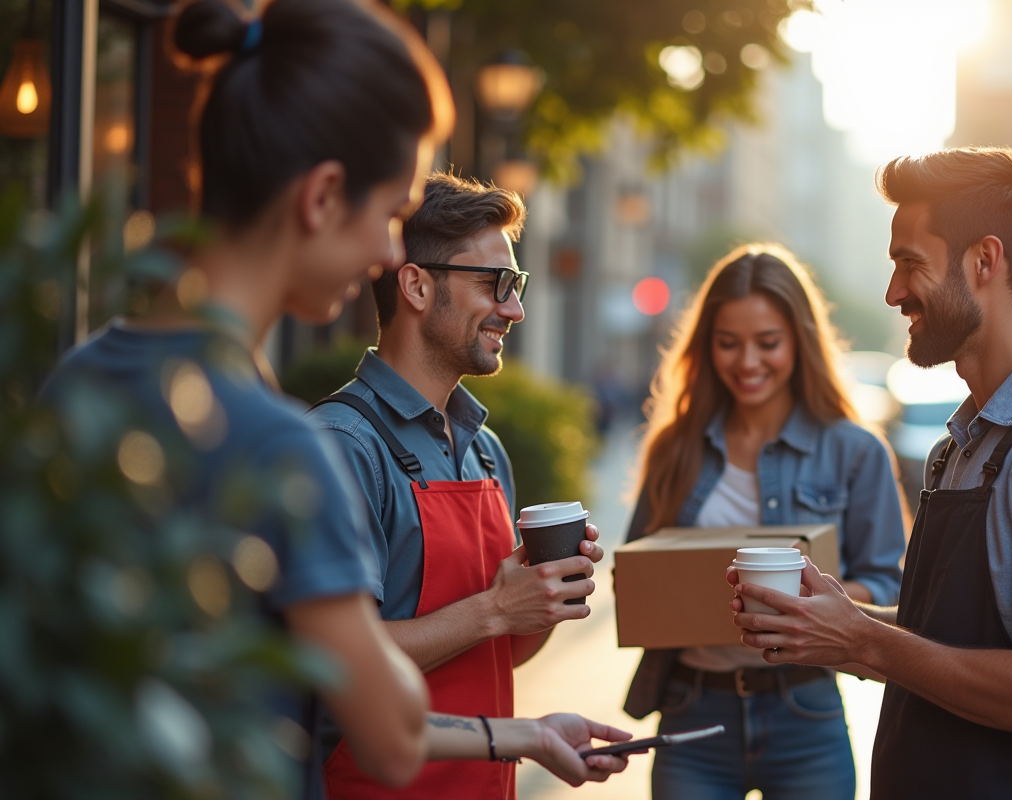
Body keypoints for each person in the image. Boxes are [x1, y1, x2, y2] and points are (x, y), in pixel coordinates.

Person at [39, 0, 631, 797]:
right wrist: (508, 671)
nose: (388, 252)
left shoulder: (79, 378)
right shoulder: (288, 445)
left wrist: (519, 677)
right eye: (389, 212)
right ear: (321, 198)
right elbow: (387, 734)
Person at [730, 148, 1012, 799]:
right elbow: (946, 644)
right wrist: (832, 624)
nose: (893, 292)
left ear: (984, 261)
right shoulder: (960, 446)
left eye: (910, 263)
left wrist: (864, 640)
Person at [307, 172, 607, 799]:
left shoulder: (486, 451)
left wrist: (545, 597)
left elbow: (499, 655)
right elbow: (336, 663)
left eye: (516, 286)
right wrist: (495, 610)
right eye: (494, 283)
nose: (514, 309)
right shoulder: (342, 445)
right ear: (416, 285)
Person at [622, 244, 908, 800]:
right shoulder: (675, 448)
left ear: (800, 341)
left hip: (804, 713)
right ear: (707, 346)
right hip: (693, 713)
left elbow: (888, 587)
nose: (747, 362)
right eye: (728, 343)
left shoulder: (856, 451)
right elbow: (638, 577)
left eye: (768, 343)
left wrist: (803, 607)